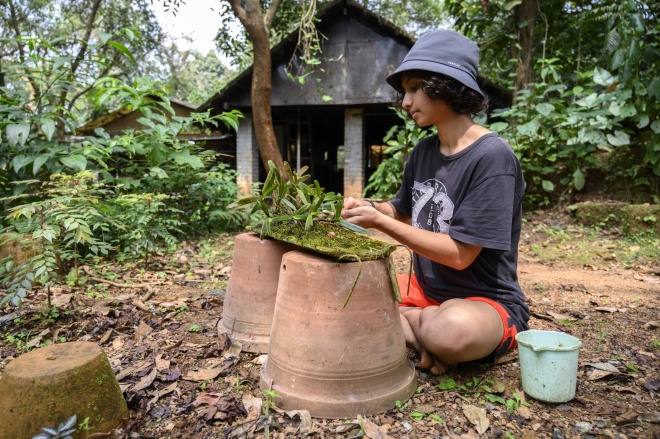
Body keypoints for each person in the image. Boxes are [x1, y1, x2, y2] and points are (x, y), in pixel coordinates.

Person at [340, 30, 529, 375]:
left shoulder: (492, 157)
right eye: (405, 92)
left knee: (453, 331)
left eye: (415, 88)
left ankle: (412, 325)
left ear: (446, 86)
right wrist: (368, 209)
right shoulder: (424, 151)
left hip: (482, 303)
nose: (405, 102)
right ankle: (417, 328)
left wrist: (382, 223)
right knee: (342, 291)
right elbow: (400, 209)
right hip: (427, 290)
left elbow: (460, 255)